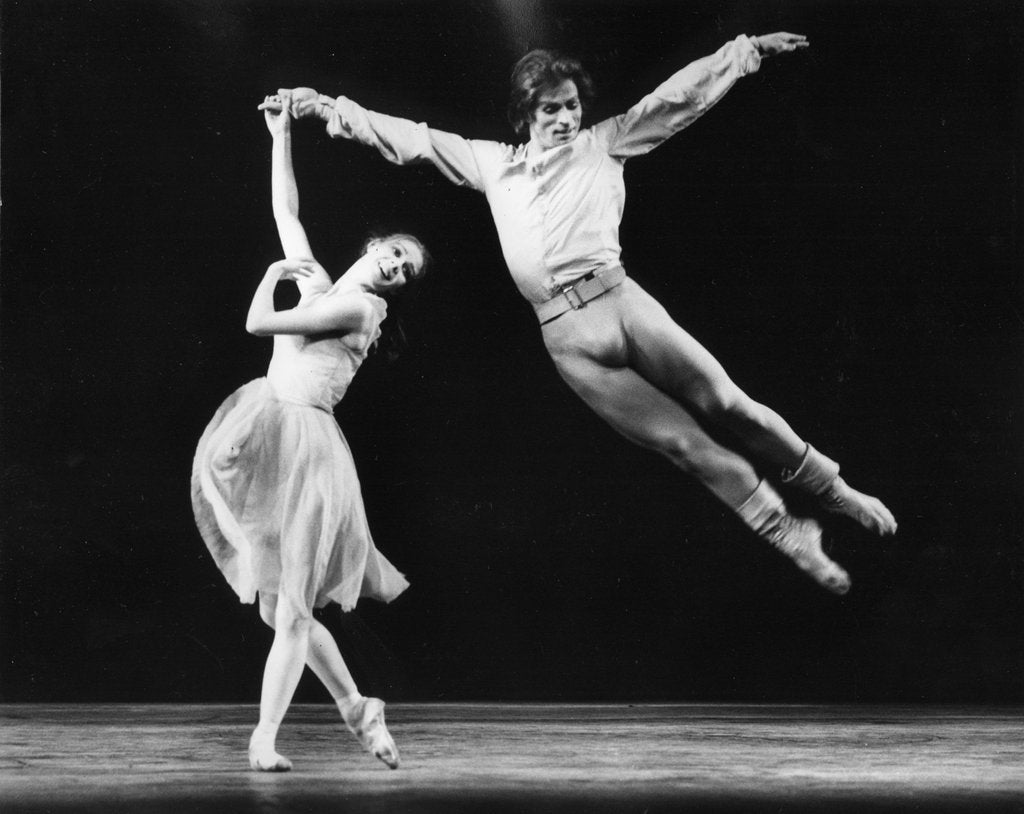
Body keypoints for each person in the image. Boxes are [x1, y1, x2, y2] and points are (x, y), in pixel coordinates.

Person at [275, 31, 896, 596]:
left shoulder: (606, 143)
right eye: (551, 109)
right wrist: (325, 108)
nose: (566, 118)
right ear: (526, 115)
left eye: (572, 106)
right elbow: (412, 139)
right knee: (681, 442)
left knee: (728, 404)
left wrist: (745, 52)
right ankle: (789, 533)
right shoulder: (492, 163)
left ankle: (833, 490)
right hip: (568, 338)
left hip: (622, 305)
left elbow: (676, 100)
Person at [191, 92, 429, 772]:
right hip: (277, 433)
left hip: (310, 454)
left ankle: (263, 739)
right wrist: (281, 134)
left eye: (405, 272)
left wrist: (272, 277)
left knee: (292, 610)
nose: (396, 268)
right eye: (396, 253)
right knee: (279, 612)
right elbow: (286, 214)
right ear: (376, 244)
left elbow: (259, 325)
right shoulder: (325, 285)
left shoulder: (360, 309)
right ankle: (358, 707)